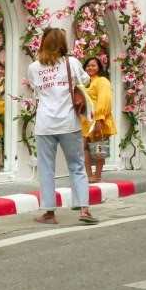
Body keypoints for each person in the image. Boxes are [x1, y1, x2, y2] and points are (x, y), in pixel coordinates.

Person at [27, 28, 98, 225]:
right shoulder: (72, 63)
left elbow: (35, 88)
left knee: (46, 168)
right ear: (62, 44)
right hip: (69, 123)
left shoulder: (34, 67)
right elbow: (86, 80)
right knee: (76, 166)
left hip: (45, 124)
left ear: (43, 43)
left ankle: (49, 213)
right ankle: (84, 209)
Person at [82, 56, 116, 183]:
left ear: (99, 67)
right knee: (84, 148)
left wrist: (99, 119)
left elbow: (104, 100)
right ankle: (89, 175)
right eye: (88, 65)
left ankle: (97, 175)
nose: (90, 68)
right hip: (85, 121)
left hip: (98, 119)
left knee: (99, 147)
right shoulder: (84, 83)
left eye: (93, 65)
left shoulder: (102, 81)